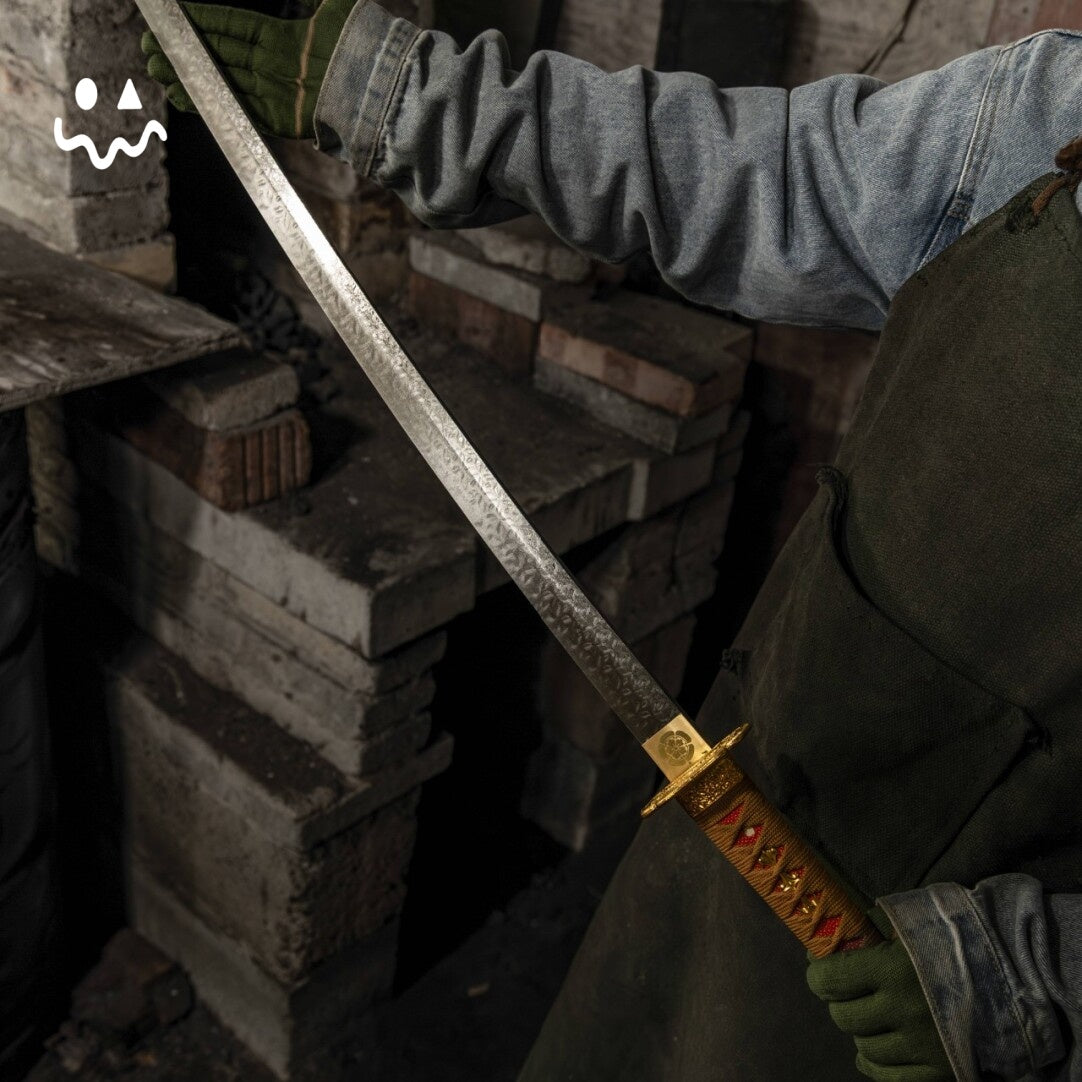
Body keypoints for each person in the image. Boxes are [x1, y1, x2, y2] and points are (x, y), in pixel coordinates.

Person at [143, 4, 1082, 1080]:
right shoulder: (1057, 112)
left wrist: (1033, 983)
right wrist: (401, 96)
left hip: (966, 977)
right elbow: (765, 177)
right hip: (772, 778)